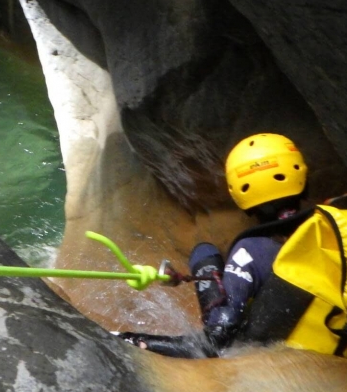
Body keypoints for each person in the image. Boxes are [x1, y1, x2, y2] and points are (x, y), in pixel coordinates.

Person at [116, 133, 320, 358]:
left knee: (205, 253)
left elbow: (217, 343)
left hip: (285, 357)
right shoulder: (332, 226)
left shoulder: (252, 252)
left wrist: (132, 340)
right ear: (303, 176)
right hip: (339, 337)